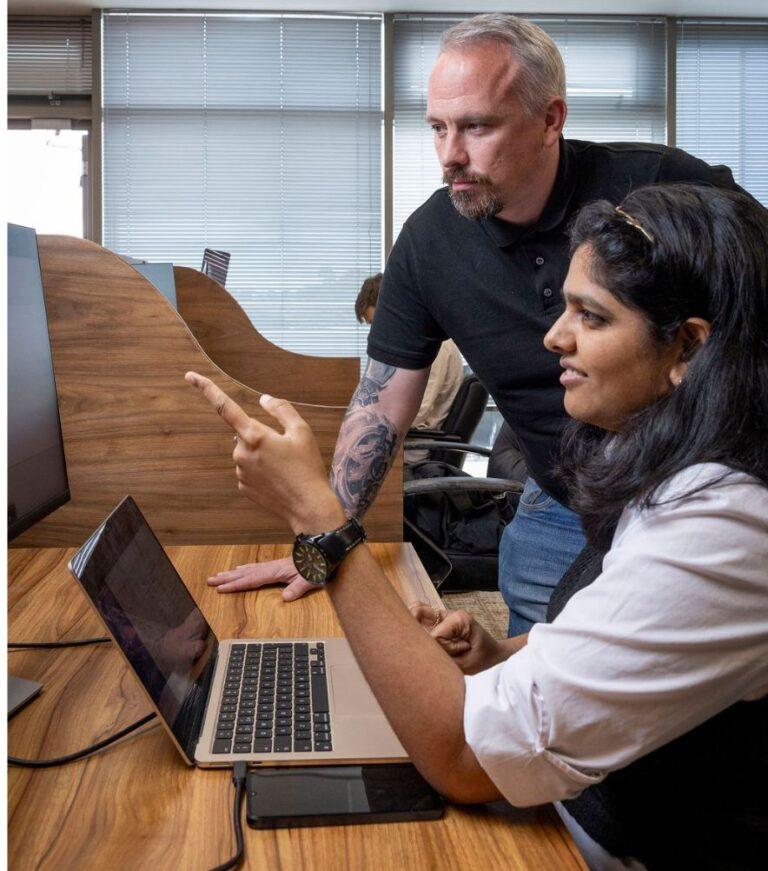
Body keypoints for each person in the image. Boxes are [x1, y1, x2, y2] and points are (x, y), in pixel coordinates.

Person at [187, 183, 768, 869]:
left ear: (687, 349)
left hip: (604, 846)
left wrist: (321, 522)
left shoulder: (727, 524)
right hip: (564, 810)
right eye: (565, 307)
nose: (554, 335)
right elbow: (641, 636)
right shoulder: (672, 464)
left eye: (593, 316)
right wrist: (506, 655)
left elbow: (462, 758)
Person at [205, 13, 744, 637]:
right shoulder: (430, 242)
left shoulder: (662, 186)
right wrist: (325, 542)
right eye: (437, 128)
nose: (449, 156)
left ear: (551, 120)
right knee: (529, 697)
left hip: (697, 491)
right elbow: (379, 410)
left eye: (476, 127)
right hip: (565, 502)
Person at [355, 272, 464, 463]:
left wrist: (367, 421)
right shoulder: (419, 344)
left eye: (376, 323)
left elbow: (417, 411)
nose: (376, 332)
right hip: (407, 441)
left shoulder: (432, 348)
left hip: (415, 448)